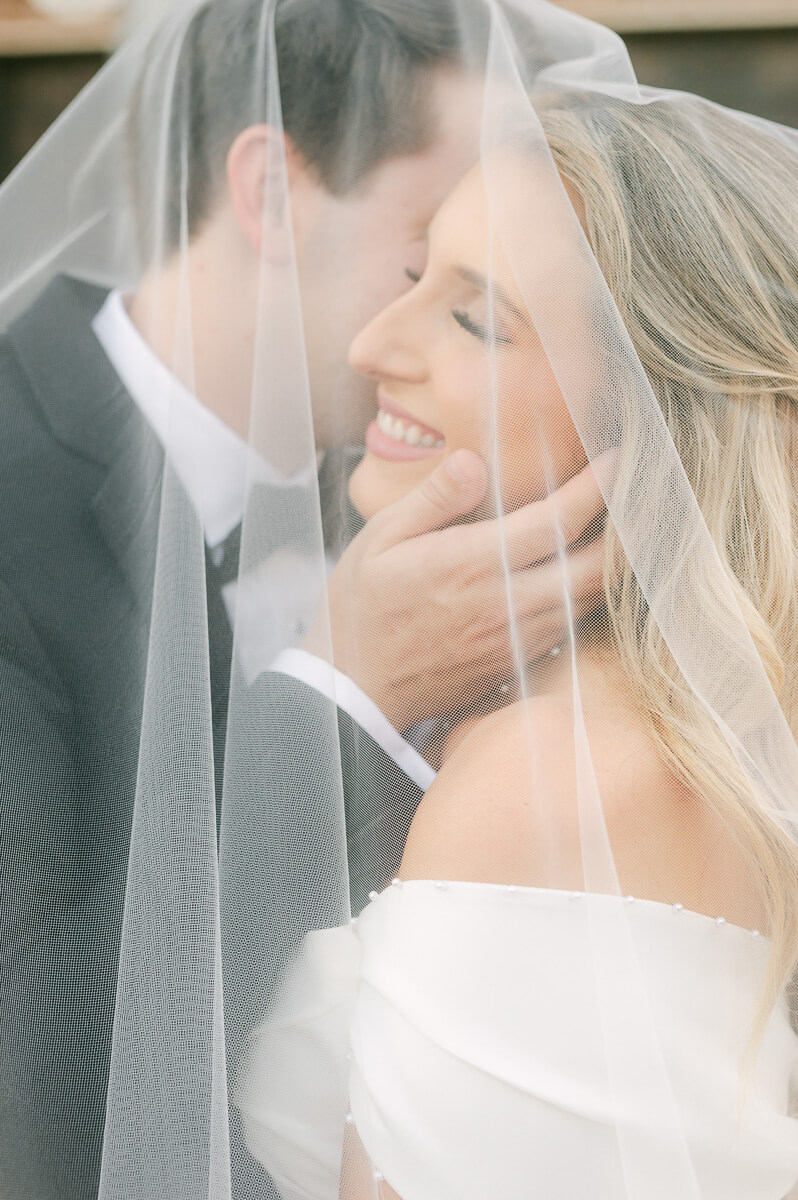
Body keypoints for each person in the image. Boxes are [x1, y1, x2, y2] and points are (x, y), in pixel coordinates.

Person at [0, 1, 608, 1197]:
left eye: (480, 296)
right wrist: (343, 690)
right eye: (422, 255)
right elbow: (46, 1091)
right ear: (270, 192)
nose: (420, 324)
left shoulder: (460, 492)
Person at [237, 74, 798, 1200]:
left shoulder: (554, 777)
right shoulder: (647, 726)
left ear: (659, 417)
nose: (370, 346)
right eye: (412, 277)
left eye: (473, 318)